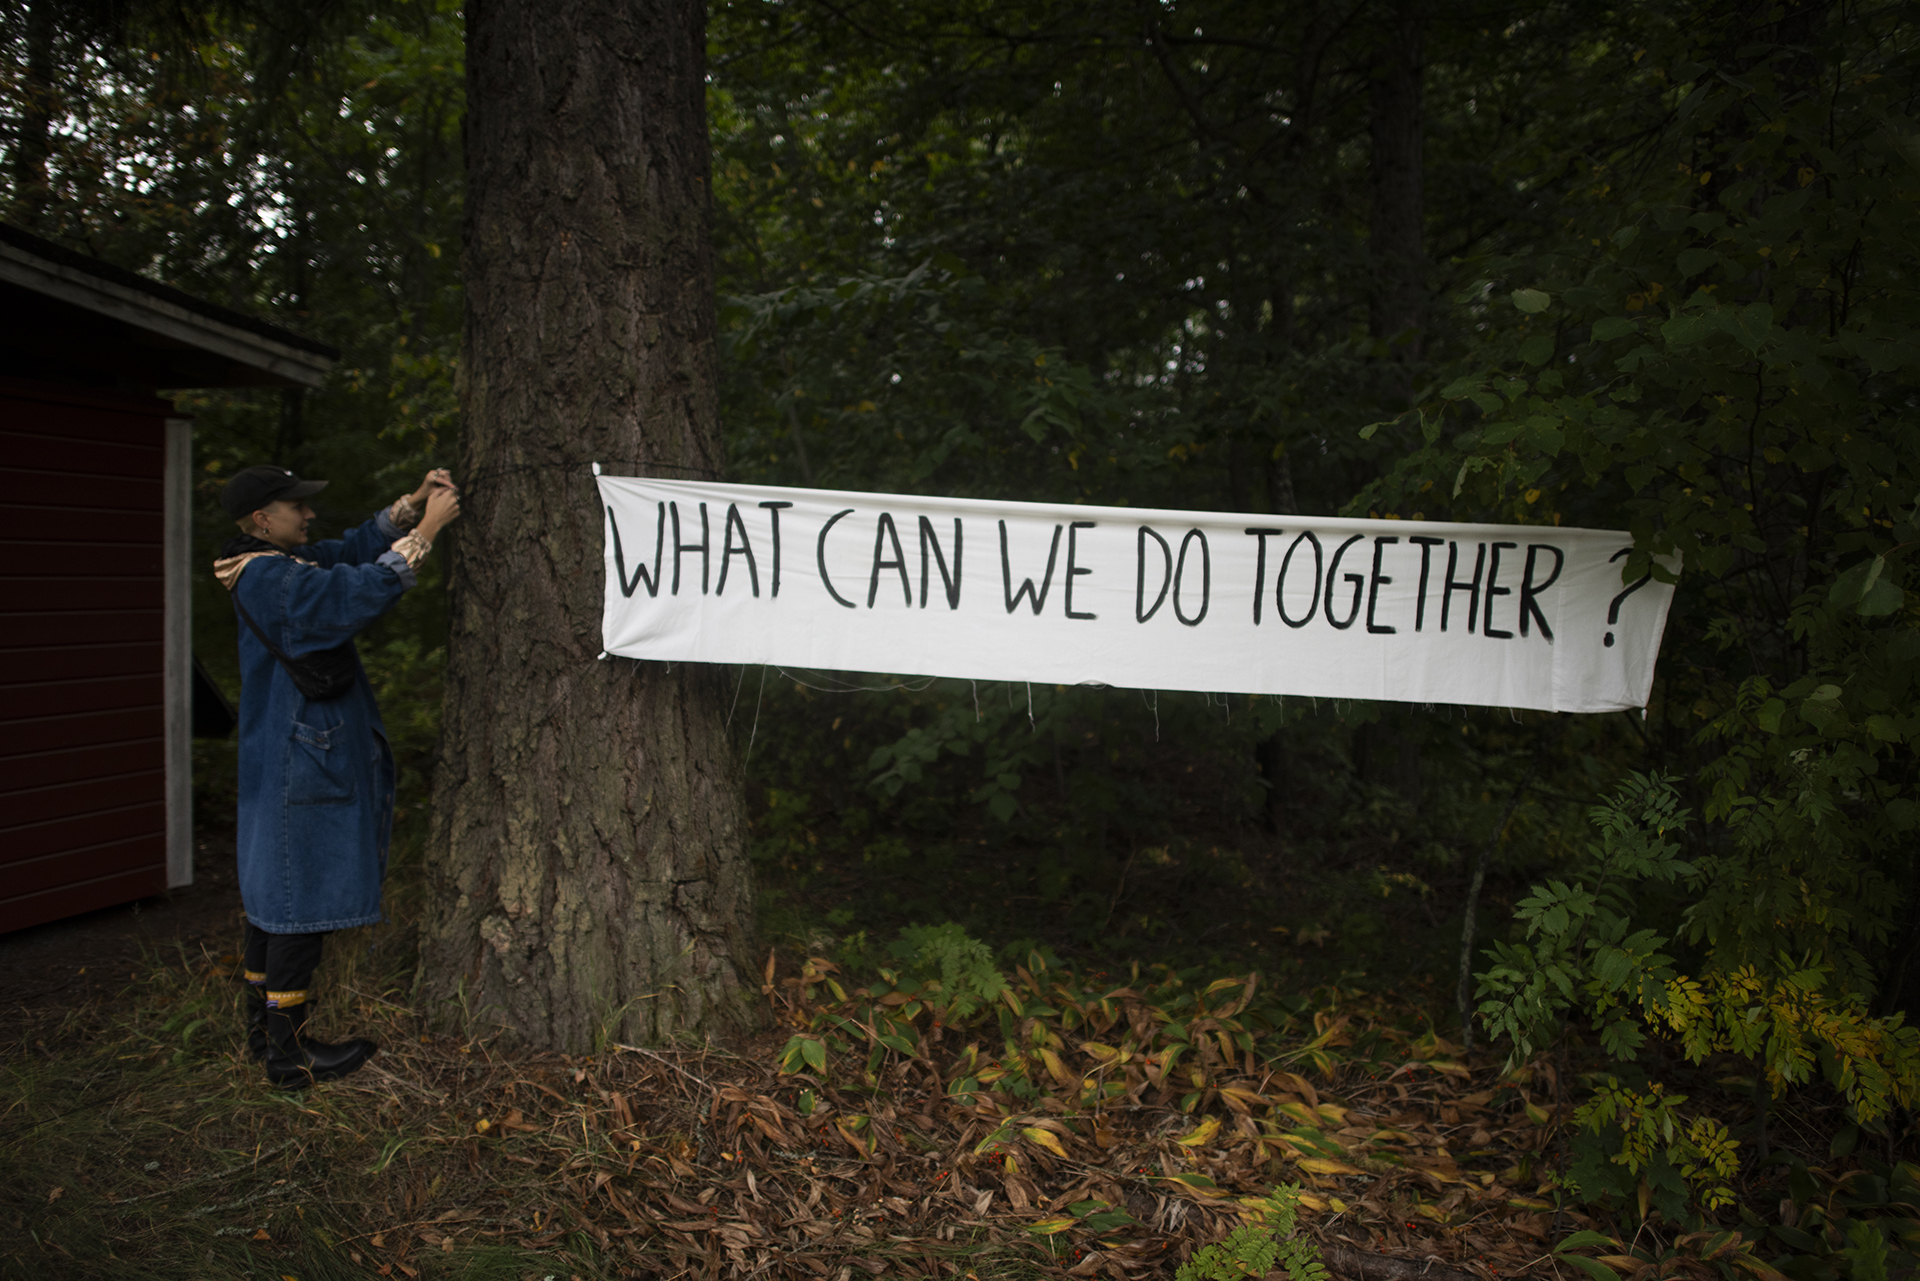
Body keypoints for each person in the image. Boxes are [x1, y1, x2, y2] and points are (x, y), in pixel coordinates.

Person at [214, 464, 460, 1088]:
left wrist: (408, 506)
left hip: (286, 750)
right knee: (299, 902)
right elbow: (353, 593)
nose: (309, 514)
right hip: (302, 756)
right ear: (263, 519)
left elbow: (346, 551)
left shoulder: (269, 562)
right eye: (297, 506)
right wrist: (425, 534)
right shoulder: (271, 577)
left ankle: (261, 1030)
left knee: (276, 897)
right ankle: (289, 1056)